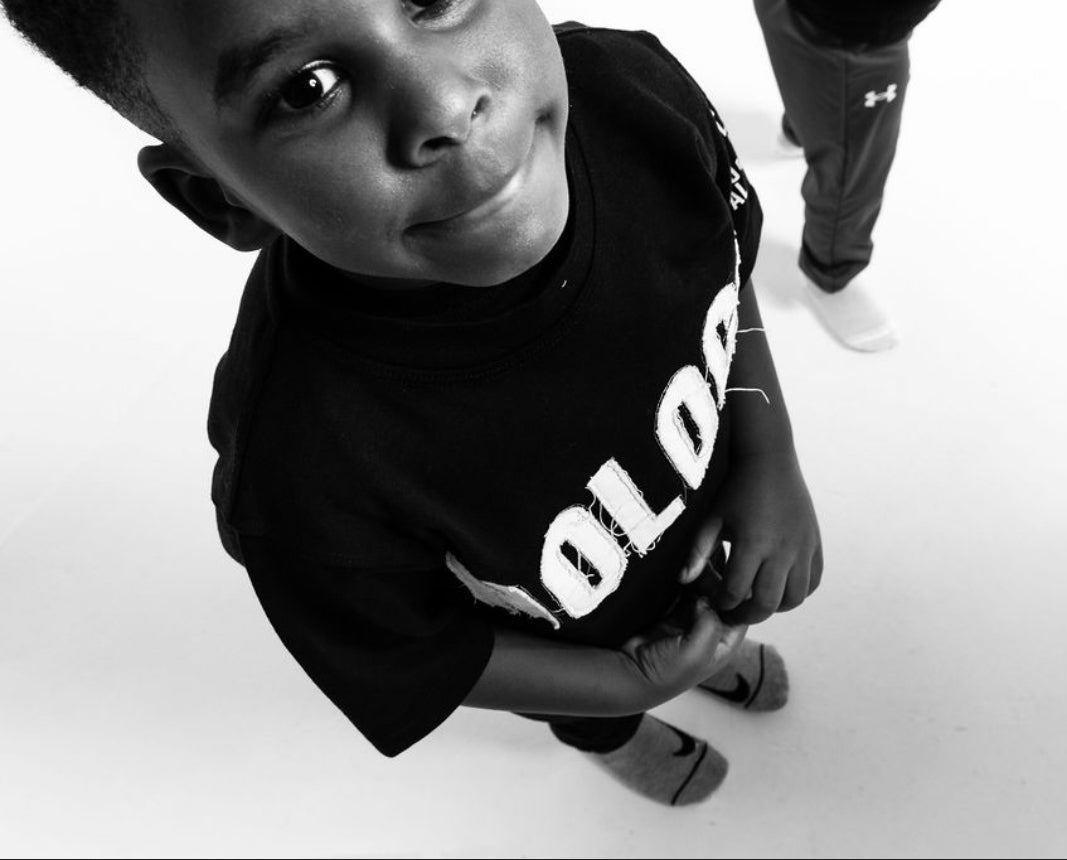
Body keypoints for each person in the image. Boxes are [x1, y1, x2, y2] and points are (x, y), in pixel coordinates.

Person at [0, 0, 823, 806]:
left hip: (705, 543)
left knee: (713, 610)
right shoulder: (300, 461)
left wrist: (769, 458)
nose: (445, 106)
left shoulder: (634, 93)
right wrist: (625, 685)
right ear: (218, 198)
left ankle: (708, 654)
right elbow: (422, 655)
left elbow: (722, 261)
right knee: (597, 711)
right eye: (308, 88)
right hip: (575, 652)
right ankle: (613, 738)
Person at [754, 0, 941, 351]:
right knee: (854, 160)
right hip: (850, 36)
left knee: (813, 68)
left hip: (815, 25)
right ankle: (831, 269)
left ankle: (802, 125)